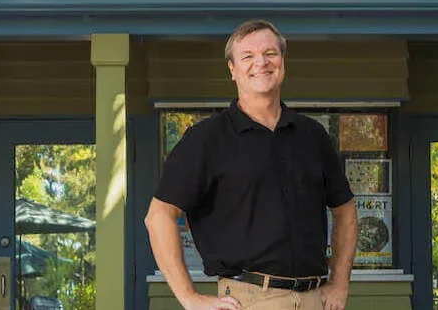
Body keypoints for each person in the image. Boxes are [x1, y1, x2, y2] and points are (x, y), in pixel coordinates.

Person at [145, 19, 358, 310]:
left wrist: (340, 282)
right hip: (248, 299)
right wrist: (190, 299)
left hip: (314, 298)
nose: (261, 62)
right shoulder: (206, 139)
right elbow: (158, 216)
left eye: (270, 53)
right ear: (232, 70)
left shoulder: (312, 135)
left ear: (282, 61)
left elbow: (345, 211)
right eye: (247, 56)